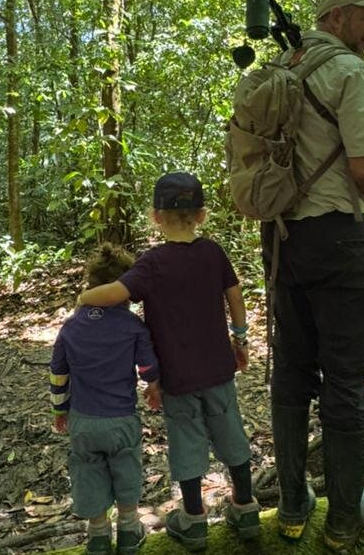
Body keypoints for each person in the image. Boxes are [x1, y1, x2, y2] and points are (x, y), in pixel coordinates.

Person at [262, 0, 364, 551]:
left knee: (293, 368)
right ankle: (345, 518)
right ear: (339, 17)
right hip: (337, 241)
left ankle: (293, 506)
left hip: (279, 240)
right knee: (345, 377)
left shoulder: (283, 64)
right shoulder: (348, 71)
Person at [77, 172, 259, 552]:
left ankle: (193, 521)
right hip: (219, 370)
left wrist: (85, 299)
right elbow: (235, 294)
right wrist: (240, 339)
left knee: (187, 443)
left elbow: (116, 293)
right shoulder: (212, 252)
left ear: (155, 216)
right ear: (202, 215)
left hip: (178, 377)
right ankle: (246, 509)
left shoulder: (152, 264)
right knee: (231, 434)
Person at [51, 243, 161, 555]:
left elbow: (59, 373)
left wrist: (60, 410)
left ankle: (98, 536)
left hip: (82, 420)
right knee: (126, 466)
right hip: (120, 419)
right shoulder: (132, 326)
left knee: (87, 471)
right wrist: (154, 385)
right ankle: (129, 530)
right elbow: (147, 367)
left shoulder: (71, 327)